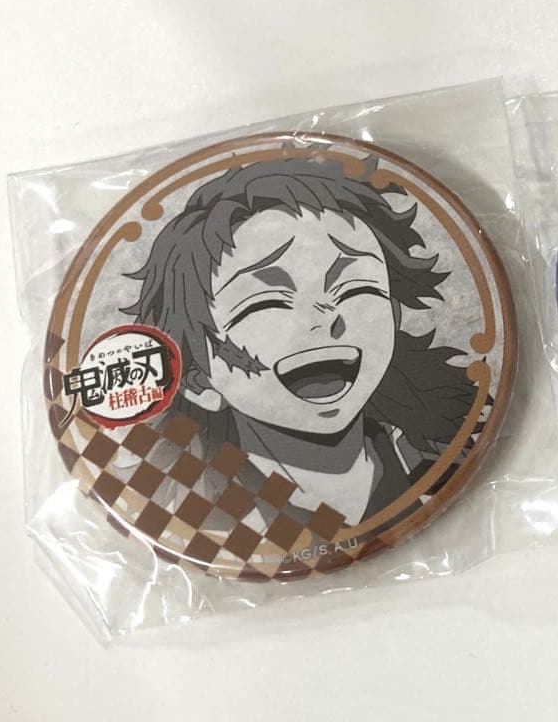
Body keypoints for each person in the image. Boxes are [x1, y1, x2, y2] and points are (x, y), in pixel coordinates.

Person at [122, 154, 477, 524]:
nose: (322, 318)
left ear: (393, 314)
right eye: (265, 302)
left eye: (354, 287)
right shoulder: (199, 509)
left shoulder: (435, 458)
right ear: (197, 379)